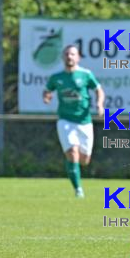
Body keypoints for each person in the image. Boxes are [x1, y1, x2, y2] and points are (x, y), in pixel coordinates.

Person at [43, 45, 105, 198]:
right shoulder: (57, 78)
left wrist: (99, 104)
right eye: (66, 54)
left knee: (84, 160)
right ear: (62, 58)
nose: (69, 57)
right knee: (72, 152)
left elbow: (98, 89)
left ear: (78, 58)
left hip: (84, 121)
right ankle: (78, 189)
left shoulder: (85, 75)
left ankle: (76, 174)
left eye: (72, 54)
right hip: (66, 121)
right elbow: (47, 90)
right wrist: (46, 96)